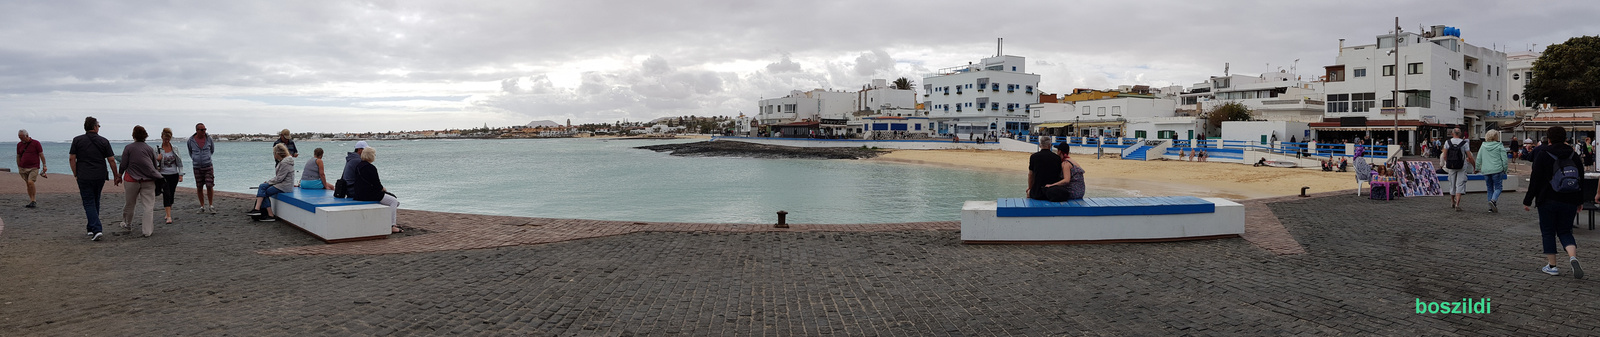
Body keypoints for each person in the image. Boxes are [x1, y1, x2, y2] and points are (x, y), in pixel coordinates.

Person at [1524, 126, 1583, 279]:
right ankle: (1572, 257)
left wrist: (1528, 200)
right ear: (1565, 138)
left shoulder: (1543, 154)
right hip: (1570, 198)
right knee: (1565, 231)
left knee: (1548, 232)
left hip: (1547, 199)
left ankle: (1552, 266)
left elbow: (1535, 179)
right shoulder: (1573, 154)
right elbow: (1580, 179)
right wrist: (1580, 200)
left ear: (1548, 138)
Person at [69, 117, 120, 241]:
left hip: (84, 175)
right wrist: (116, 175)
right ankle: (91, 228)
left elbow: (72, 159)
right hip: (99, 175)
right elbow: (111, 160)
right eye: (99, 126)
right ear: (95, 127)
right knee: (95, 200)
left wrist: (75, 173)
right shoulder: (103, 141)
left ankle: (96, 228)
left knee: (88, 201)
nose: (99, 128)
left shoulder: (77, 140)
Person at [118, 126, 162, 237]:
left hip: (131, 180)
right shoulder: (149, 149)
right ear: (145, 136)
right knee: (148, 206)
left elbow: (123, 164)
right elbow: (154, 165)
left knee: (130, 203)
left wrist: (119, 175)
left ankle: (128, 224)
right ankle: (147, 231)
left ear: (133, 135)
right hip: (148, 180)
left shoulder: (128, 148)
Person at [351, 146, 402, 233]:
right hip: (369, 194)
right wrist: (383, 189)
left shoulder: (358, 166)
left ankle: (388, 222)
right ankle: (391, 225)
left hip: (359, 193)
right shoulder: (371, 168)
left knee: (393, 200)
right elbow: (377, 184)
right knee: (394, 201)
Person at [246, 144, 295, 222]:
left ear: (277, 153)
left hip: (284, 186)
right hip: (284, 184)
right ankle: (262, 211)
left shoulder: (285, 163)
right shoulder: (285, 162)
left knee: (263, 189)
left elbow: (279, 178)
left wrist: (269, 182)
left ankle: (262, 212)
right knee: (263, 187)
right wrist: (269, 183)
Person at [1440, 128, 1476, 211]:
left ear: (1452, 134)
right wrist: (1474, 167)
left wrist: (1448, 162)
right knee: (1460, 184)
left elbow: (1444, 155)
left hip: (1451, 165)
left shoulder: (1447, 142)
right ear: (1460, 134)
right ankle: (1457, 204)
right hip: (1462, 166)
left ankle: (1452, 201)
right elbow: (1469, 157)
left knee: (1452, 183)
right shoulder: (1464, 143)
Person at [156, 128, 185, 224]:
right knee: (166, 193)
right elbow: (153, 164)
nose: (166, 141)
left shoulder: (175, 149)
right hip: (163, 175)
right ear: (162, 138)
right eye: (165, 139)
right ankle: (168, 216)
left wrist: (180, 175)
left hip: (174, 175)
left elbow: (179, 163)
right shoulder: (157, 150)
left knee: (171, 194)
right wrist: (157, 159)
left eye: (168, 139)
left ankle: (168, 211)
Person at [1476, 130, 1509, 213]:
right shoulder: (1499, 146)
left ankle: (1490, 208)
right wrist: (1505, 169)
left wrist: (1477, 168)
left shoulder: (1483, 146)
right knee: (1498, 187)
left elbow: (1479, 158)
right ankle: (1493, 201)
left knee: (1489, 188)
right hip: (1497, 169)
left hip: (1486, 170)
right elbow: (1504, 159)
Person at [188, 123, 217, 214]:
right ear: (197, 130)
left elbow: (212, 150)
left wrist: (206, 158)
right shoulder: (191, 141)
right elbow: (190, 152)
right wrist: (196, 159)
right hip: (197, 166)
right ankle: (202, 206)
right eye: (202, 130)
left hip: (208, 165)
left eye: (205, 129)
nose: (204, 131)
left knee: (209, 185)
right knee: (199, 186)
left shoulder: (209, 139)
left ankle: (211, 205)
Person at [16, 129, 46, 208]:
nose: (21, 139)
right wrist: (19, 166)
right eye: (19, 137)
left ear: (26, 135)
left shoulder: (36, 143)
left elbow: (41, 154)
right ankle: (31, 200)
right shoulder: (19, 144)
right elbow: (18, 156)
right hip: (23, 167)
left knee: (30, 182)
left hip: (34, 167)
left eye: (22, 137)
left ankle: (34, 200)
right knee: (27, 184)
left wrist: (44, 165)